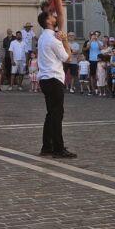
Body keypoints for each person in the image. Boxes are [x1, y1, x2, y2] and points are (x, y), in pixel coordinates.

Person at [37, 10, 76, 158]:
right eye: (52, 16)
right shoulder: (53, 39)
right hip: (54, 78)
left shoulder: (42, 37)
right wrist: (65, 41)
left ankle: (47, 146)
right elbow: (67, 58)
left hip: (45, 78)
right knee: (57, 114)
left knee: (50, 113)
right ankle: (58, 148)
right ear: (48, 21)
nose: (55, 18)